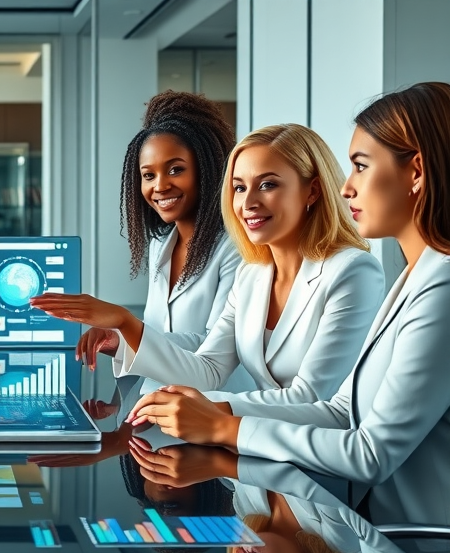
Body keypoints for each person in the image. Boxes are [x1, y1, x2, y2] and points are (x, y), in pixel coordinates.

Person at [126, 82, 450, 526]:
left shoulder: (421, 284)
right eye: (239, 187)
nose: (347, 187)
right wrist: (209, 409)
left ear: (415, 172)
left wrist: (224, 426)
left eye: (359, 166)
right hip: (366, 524)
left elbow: (369, 451)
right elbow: (341, 411)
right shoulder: (414, 277)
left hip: (410, 537)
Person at [37, 123, 384, 406]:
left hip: (316, 468)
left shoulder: (353, 271)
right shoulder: (254, 276)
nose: (248, 202)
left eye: (267, 185)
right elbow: (208, 370)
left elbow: (312, 398)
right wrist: (125, 324)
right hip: (253, 462)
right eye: (238, 187)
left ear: (312, 192)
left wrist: (213, 415)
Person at [67, 92, 245, 389]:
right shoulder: (160, 245)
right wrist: (119, 340)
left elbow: (214, 347)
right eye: (148, 175)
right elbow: (157, 333)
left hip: (215, 406)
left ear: (206, 169)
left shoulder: (235, 249)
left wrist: (125, 324)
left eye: (176, 169)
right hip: (158, 401)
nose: (160, 186)